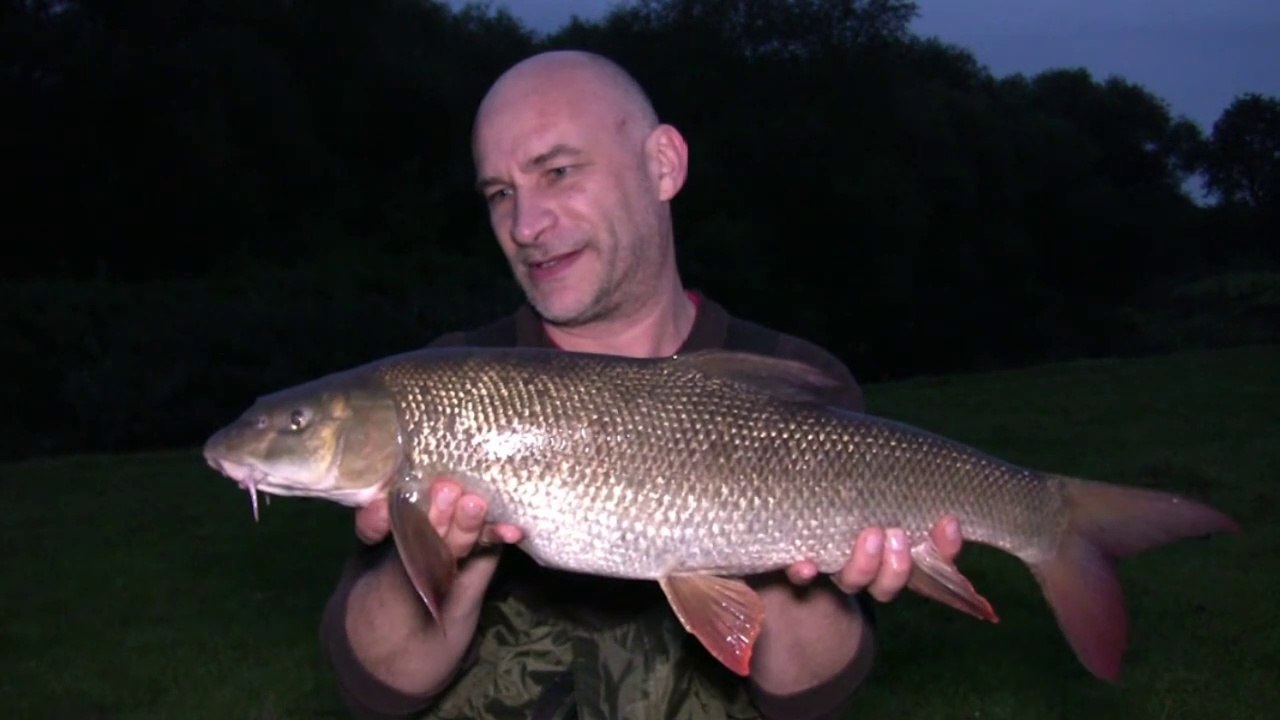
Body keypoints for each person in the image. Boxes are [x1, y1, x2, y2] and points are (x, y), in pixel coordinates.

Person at [319, 49, 963, 720]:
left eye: (558, 172)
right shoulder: (452, 385)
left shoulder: (790, 379)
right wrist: (451, 550)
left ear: (663, 165)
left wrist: (778, 549)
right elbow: (381, 686)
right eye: (500, 194)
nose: (524, 225)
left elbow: (806, 694)